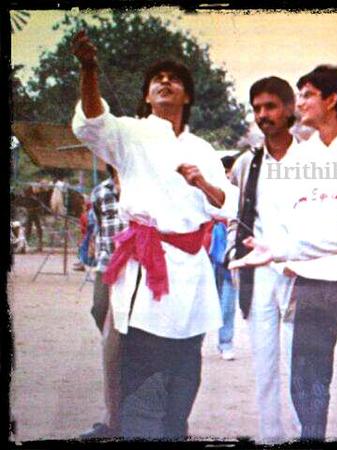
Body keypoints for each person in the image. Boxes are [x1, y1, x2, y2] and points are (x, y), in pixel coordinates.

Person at [71, 30, 235, 439]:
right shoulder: (130, 133)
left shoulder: (202, 149)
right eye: (157, 79)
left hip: (191, 271)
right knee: (143, 369)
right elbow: (92, 121)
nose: (164, 82)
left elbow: (226, 203)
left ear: (186, 96)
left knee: (184, 368)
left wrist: (201, 182)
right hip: (146, 267)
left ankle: (175, 429)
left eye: (174, 79)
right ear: (147, 95)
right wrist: (89, 69)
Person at [231, 66, 337, 441]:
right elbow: (289, 219)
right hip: (309, 285)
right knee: (307, 391)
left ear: (332, 99)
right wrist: (288, 260)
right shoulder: (303, 155)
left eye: (307, 95)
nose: (300, 103)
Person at [226, 77, 301, 442]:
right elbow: (234, 213)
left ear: (289, 108)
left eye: (270, 106)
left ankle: (304, 433)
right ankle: (270, 435)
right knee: (265, 362)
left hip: (299, 271)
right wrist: (233, 252)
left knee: (299, 363)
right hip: (258, 275)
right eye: (257, 108)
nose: (263, 115)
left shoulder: (312, 158)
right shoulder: (247, 163)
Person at [80, 164, 126, 439]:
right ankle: (113, 420)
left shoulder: (143, 189)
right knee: (100, 312)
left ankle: (118, 419)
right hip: (107, 267)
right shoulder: (100, 193)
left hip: (136, 271)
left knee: (118, 344)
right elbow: (97, 228)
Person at [209, 155, 238, 361]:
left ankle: (225, 342)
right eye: (225, 171)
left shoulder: (239, 193)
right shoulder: (208, 190)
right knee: (202, 300)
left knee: (228, 302)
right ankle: (194, 342)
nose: (228, 175)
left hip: (229, 253)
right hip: (208, 251)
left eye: (230, 171)